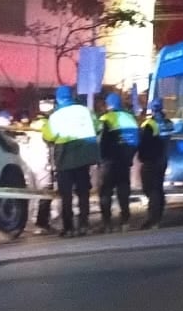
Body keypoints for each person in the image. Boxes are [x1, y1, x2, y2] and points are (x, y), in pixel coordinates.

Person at [40, 85, 99, 237]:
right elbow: (98, 127)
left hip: (65, 159)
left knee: (66, 195)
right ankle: (84, 225)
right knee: (83, 193)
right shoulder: (85, 111)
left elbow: (48, 136)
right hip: (84, 157)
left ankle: (68, 228)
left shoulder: (56, 116)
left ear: (58, 99)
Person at [97, 91, 140, 232]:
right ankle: (125, 221)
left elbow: (100, 141)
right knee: (123, 192)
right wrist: (129, 156)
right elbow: (136, 140)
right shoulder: (130, 118)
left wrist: (99, 158)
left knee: (105, 193)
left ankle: (107, 223)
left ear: (108, 105)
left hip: (108, 161)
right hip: (124, 161)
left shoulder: (105, 119)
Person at [137, 101, 173, 229]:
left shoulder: (149, 124)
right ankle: (157, 217)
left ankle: (153, 218)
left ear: (151, 109)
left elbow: (144, 143)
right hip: (163, 159)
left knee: (150, 189)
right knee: (158, 188)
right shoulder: (169, 123)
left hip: (151, 160)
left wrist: (141, 157)